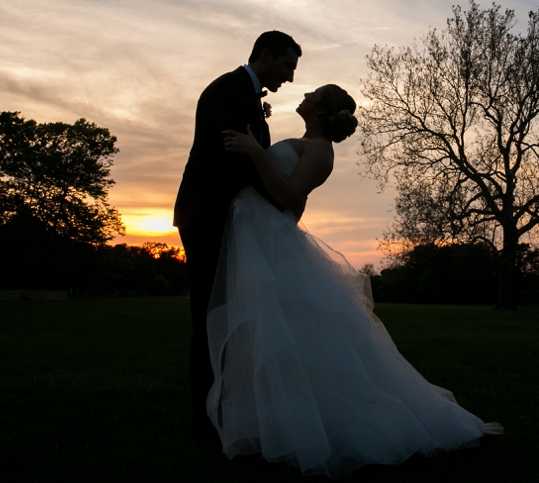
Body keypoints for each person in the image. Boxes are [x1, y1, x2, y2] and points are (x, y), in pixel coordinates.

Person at [209, 84, 502, 478]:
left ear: (320, 109)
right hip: (263, 238)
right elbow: (294, 207)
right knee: (275, 335)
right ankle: (281, 420)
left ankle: (335, 426)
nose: (306, 92)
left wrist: (256, 152)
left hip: (271, 244)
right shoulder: (306, 143)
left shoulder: (321, 151)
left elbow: (287, 195)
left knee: (295, 337)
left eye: (313, 92)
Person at [173, 30, 301, 441]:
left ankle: (224, 408)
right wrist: (284, 200)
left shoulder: (247, 95)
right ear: (265, 55)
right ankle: (205, 420)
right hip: (207, 216)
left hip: (227, 217)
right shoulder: (228, 90)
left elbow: (251, 155)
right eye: (288, 65)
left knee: (227, 315)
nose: (291, 77)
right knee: (210, 317)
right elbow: (238, 157)